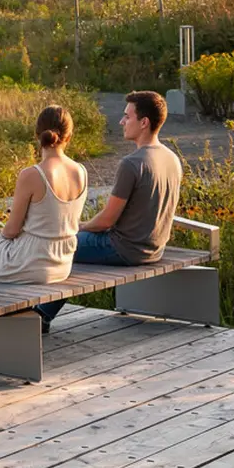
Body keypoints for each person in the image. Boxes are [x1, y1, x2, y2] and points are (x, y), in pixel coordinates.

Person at [35, 90, 183, 326]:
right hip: (155, 249)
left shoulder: (132, 164)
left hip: (124, 249)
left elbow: (106, 221)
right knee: (71, 245)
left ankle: (38, 316)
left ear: (144, 123)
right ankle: (42, 312)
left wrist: (78, 227)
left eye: (127, 117)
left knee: (59, 246)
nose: (121, 121)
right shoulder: (171, 158)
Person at [0, 105, 87, 284]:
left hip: (28, 263)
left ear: (37, 135)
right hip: (61, 265)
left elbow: (11, 231)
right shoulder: (81, 172)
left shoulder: (32, 174)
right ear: (68, 137)